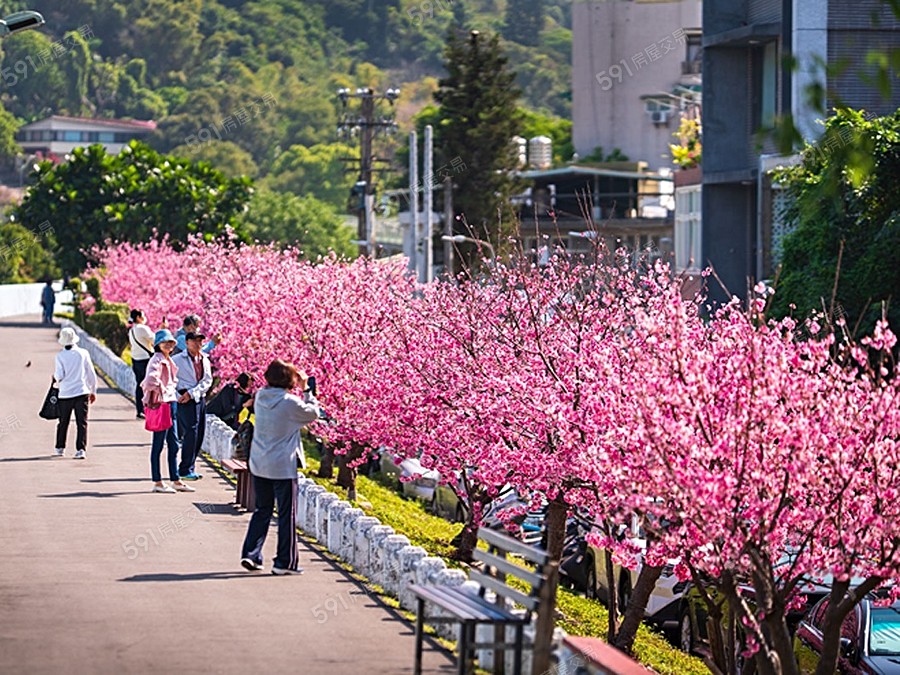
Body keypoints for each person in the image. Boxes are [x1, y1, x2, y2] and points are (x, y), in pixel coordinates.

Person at [241, 360, 319, 575]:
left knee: (262, 510)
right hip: (282, 466)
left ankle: (251, 554)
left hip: (259, 463)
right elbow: (313, 413)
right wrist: (307, 390)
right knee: (286, 514)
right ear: (289, 380)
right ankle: (284, 562)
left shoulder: (260, 398)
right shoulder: (289, 403)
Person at [141, 329, 195, 494]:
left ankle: (175, 479)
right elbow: (150, 380)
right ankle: (157, 481)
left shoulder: (167, 359)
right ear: (158, 345)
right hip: (163, 404)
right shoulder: (156, 359)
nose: (169, 345)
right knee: (158, 444)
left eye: (171, 343)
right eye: (165, 343)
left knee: (173, 444)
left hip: (171, 404)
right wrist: (162, 390)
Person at [172, 331, 212, 481]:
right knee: (191, 432)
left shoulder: (204, 360)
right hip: (184, 398)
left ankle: (190, 466)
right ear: (187, 342)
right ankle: (184, 468)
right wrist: (179, 396)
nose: (198, 344)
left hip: (198, 398)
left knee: (199, 432)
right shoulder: (177, 360)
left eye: (200, 341)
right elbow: (169, 380)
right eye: (194, 341)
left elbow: (207, 381)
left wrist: (193, 393)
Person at [53, 327, 97, 459]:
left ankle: (60, 447)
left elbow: (59, 375)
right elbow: (91, 373)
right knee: (81, 422)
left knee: (63, 422)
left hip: (65, 393)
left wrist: (54, 377)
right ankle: (81, 449)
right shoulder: (83, 353)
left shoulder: (60, 356)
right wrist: (93, 390)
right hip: (81, 392)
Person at [127, 309, 155, 419]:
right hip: (145, 360)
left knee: (140, 385)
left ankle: (140, 410)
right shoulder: (143, 328)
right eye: (143, 315)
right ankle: (148, 409)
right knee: (149, 386)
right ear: (138, 317)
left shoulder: (132, 330)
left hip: (135, 360)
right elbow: (156, 340)